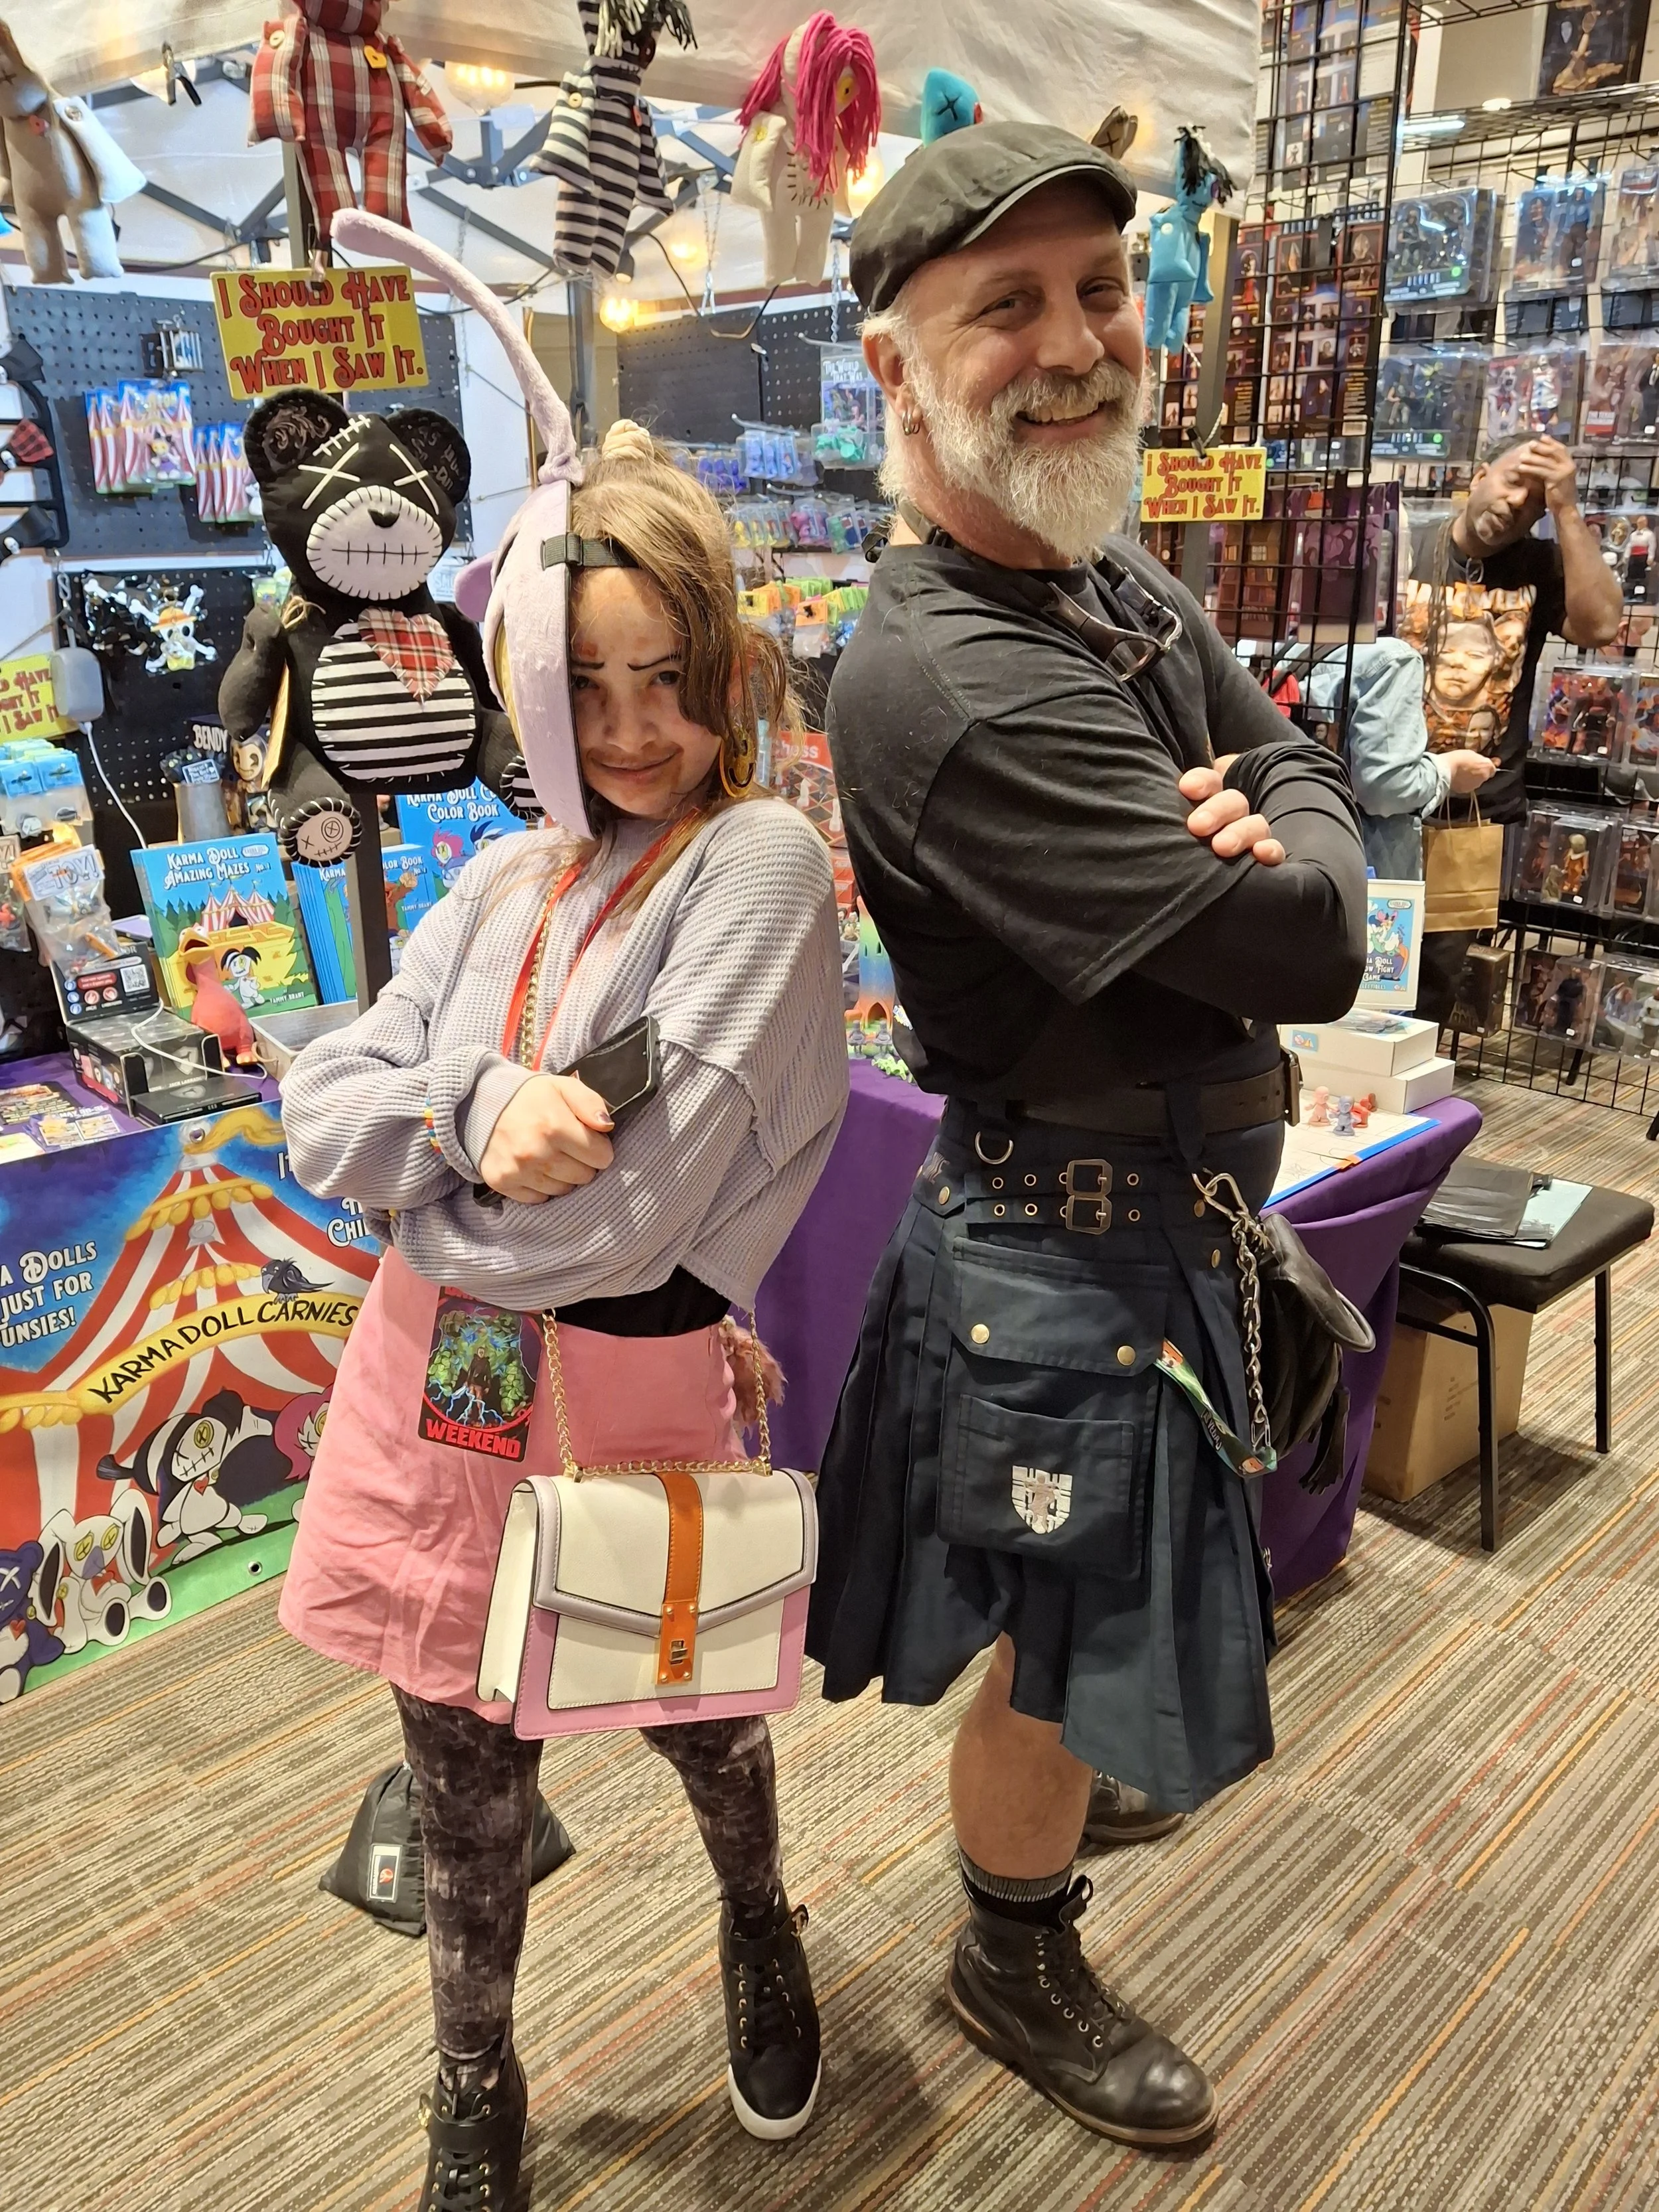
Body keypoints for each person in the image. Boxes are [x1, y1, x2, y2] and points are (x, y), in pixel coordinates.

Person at [805, 124, 1368, 2150]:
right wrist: (1277, 830)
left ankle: (1055, 1809)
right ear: (894, 366)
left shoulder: (1096, 574)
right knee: (1057, 1643)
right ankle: (1008, 1945)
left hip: (1151, 1226)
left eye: (1100, 292)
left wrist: (1278, 805)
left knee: (1100, 1607)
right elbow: (1313, 937)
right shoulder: (946, 676)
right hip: (1063, 1253)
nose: (1074, 343)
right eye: (1007, 308)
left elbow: (1303, 775)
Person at [277, 421, 847, 2207]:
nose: (626, 729)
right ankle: (474, 2073)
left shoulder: (753, 865)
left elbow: (611, 1226)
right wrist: (466, 1115)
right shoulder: (506, 872)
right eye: (583, 683)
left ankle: (759, 1920)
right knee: (459, 1756)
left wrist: (416, 1181)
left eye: (664, 676)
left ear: (723, 664)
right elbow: (319, 1105)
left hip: (630, 1375)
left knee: (696, 1708)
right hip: (437, 1391)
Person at [1396, 433, 1622, 1020]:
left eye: (1535, 502)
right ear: (1479, 475)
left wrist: (1567, 509)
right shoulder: (1405, 546)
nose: (1517, 503)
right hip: (1380, 797)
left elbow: (1601, 626)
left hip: (1471, 812)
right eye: (1512, 482)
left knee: (1431, 983)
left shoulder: (1538, 566)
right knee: (1355, 956)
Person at [1301, 637, 1496, 878]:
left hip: (1292, 852)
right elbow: (1386, 788)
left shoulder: (1291, 650)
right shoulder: (1392, 660)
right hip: (1357, 872)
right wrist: (1448, 770)